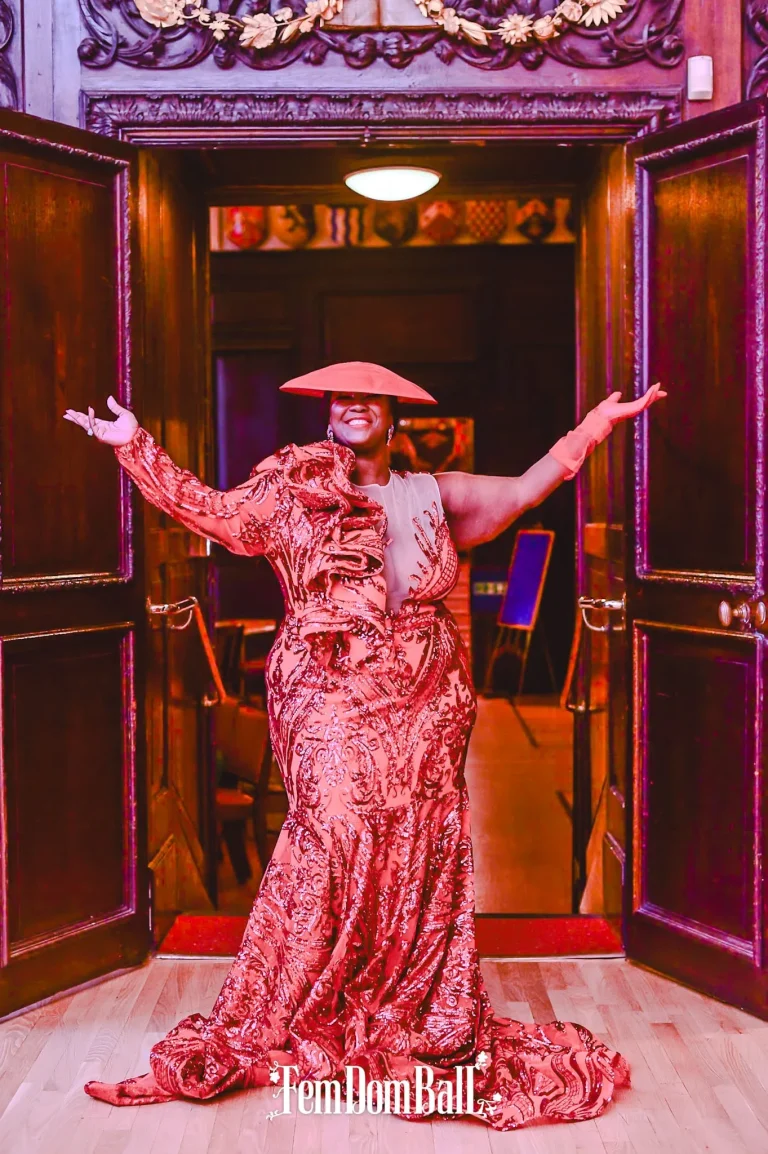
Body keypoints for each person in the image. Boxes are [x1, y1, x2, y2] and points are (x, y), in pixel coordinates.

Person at [63, 361, 665, 1131]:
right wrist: (132, 444)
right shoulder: (291, 491)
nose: (351, 406)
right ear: (327, 414)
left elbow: (526, 489)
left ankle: (399, 1005)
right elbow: (206, 509)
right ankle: (301, 1007)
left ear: (392, 416)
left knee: (417, 848)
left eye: (367, 398)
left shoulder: (432, 494)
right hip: (327, 692)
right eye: (339, 398)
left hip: (428, 704)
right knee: (331, 836)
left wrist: (594, 428)